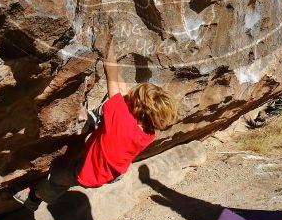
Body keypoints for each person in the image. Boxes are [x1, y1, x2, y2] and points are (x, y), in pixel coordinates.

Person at [18, 34, 177, 210]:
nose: (130, 94)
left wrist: (109, 44)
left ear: (138, 109)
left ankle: (34, 197)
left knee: (57, 178)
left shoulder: (121, 119)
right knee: (102, 123)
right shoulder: (149, 132)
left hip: (87, 173)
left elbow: (111, 70)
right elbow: (122, 94)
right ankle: (93, 133)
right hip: (112, 172)